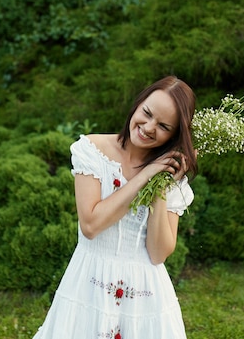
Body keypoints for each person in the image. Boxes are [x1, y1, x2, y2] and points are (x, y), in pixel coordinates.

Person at [32, 76, 198, 338]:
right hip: (89, 284)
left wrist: (160, 187)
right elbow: (91, 225)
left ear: (175, 135)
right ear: (138, 103)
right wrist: (145, 176)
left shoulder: (169, 174)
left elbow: (158, 254)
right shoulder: (93, 150)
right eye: (147, 113)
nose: (148, 127)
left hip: (146, 296)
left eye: (164, 126)